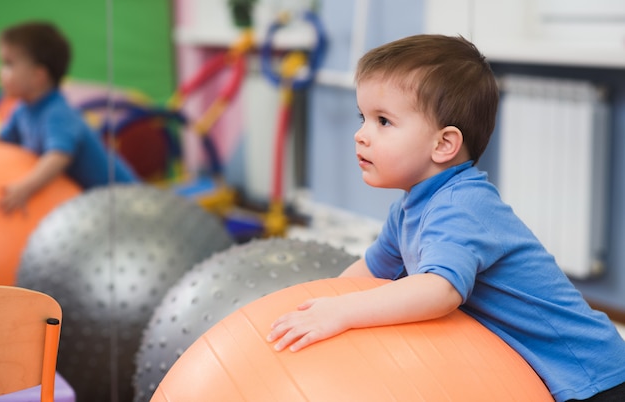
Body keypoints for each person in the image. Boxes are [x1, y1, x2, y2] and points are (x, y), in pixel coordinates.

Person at [267, 34, 625, 402]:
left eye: (383, 121)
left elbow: (438, 291)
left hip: (592, 376)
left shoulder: (461, 205)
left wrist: (342, 312)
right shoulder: (409, 208)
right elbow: (368, 273)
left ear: (443, 145)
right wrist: (311, 306)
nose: (360, 135)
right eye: (364, 118)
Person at [0, 21, 137, 213]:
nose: (2, 72)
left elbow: (59, 155)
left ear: (37, 76)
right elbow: (5, 139)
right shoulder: (23, 109)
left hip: (124, 198)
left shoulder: (58, 112)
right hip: (91, 204)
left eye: (8, 64)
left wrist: (26, 187)